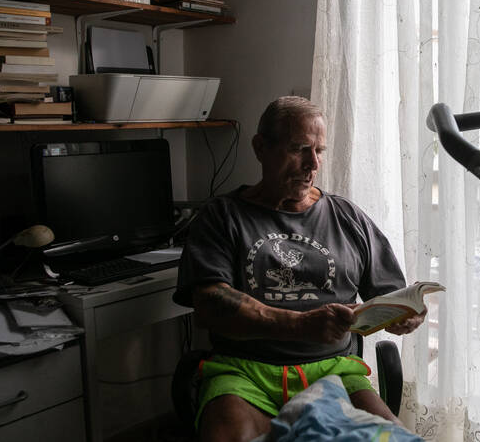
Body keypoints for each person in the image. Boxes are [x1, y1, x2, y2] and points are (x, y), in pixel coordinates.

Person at [174, 96, 425, 442]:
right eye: (298, 149)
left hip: (334, 369)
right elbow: (209, 303)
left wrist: (405, 314)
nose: (312, 164)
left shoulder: (347, 217)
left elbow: (390, 295)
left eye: (319, 151)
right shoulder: (222, 216)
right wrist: (300, 324)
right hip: (244, 372)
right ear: (260, 148)